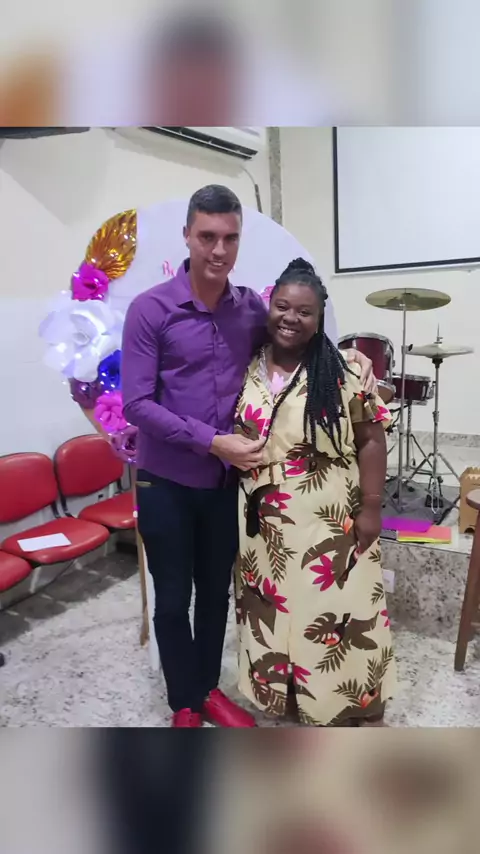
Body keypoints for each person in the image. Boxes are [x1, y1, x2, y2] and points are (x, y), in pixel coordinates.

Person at [121, 185, 376, 728]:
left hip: (225, 485)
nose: (219, 250)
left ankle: (209, 690)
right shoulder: (150, 310)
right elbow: (136, 405)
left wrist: (351, 356)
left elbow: (296, 341)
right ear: (187, 236)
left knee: (217, 593)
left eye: (230, 238)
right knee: (173, 599)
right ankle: (183, 703)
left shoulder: (250, 310)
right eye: (207, 237)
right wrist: (212, 441)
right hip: (166, 480)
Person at [234, 258, 396, 726]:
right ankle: (287, 694)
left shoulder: (343, 369)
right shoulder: (247, 366)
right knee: (272, 607)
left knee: (341, 609)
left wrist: (371, 508)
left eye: (304, 312)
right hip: (262, 521)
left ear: (320, 318)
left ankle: (358, 701)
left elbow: (371, 438)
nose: (291, 318)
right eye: (282, 306)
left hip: (329, 516)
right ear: (269, 307)